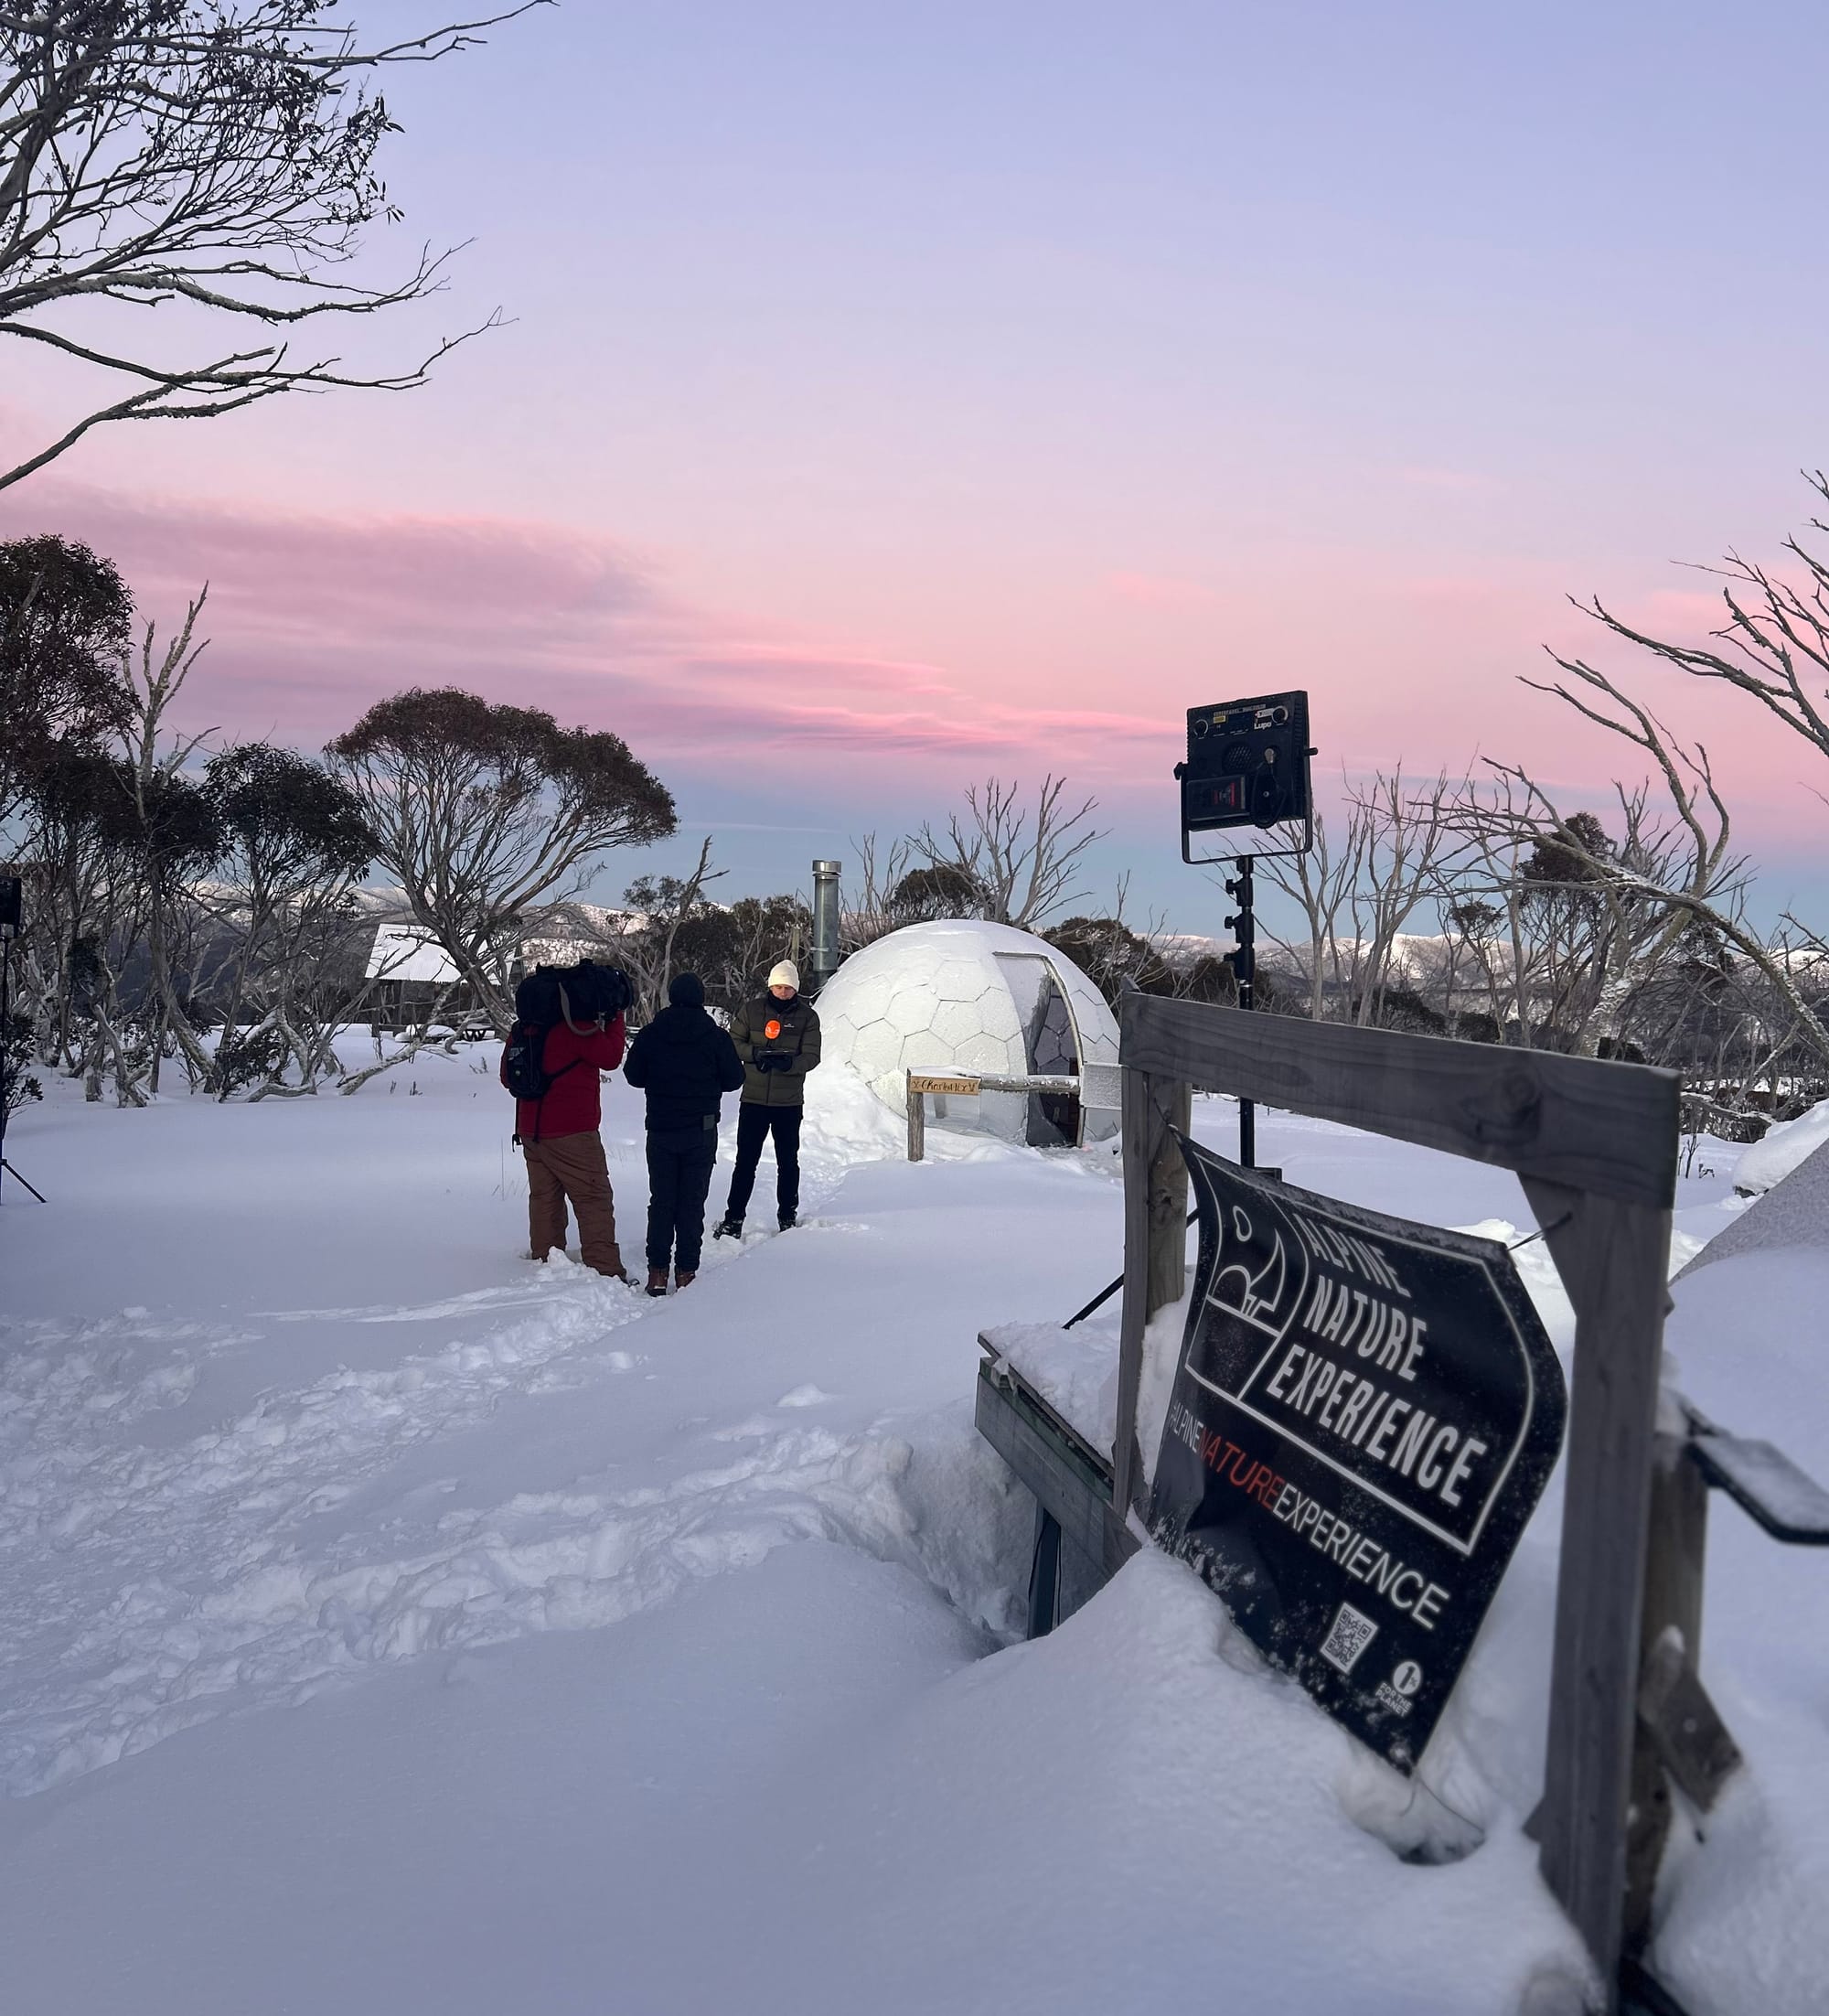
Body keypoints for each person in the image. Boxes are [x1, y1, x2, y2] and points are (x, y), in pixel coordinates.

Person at [621, 970, 745, 1296]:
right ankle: (687, 1271)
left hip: (661, 1128)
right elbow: (734, 1079)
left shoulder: (652, 1033)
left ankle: (657, 1271)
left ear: (672, 997)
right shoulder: (714, 1036)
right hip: (700, 1130)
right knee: (692, 1202)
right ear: (701, 999)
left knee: (661, 1201)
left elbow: (633, 1076)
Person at [499, 992, 631, 1282]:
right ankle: (605, 1271)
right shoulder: (577, 1030)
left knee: (545, 1198)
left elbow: (507, 1077)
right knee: (593, 1197)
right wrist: (616, 1018)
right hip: (572, 1132)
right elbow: (610, 1058)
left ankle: (547, 1264)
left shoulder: (524, 1029)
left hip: (531, 1131)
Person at [714, 959, 821, 1239]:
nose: (782, 992)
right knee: (745, 1162)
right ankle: (733, 1219)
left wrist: (791, 1065)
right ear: (770, 986)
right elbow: (733, 1042)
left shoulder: (808, 1017)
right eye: (777, 986)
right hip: (753, 1099)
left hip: (788, 1103)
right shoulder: (751, 1011)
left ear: (795, 989)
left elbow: (812, 1056)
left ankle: (787, 1216)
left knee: (788, 1161)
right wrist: (755, 1055)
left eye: (787, 987)